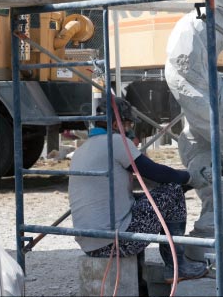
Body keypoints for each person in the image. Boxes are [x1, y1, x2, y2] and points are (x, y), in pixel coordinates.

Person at [68, 97, 208, 284]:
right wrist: (190, 177)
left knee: (143, 201)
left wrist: (187, 182)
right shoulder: (115, 142)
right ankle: (177, 266)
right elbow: (156, 173)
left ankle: (141, 282)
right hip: (116, 243)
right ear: (116, 123)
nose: (130, 129)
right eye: (127, 123)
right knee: (172, 191)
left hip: (91, 243)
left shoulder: (82, 149)